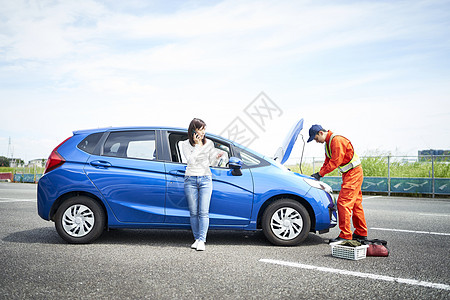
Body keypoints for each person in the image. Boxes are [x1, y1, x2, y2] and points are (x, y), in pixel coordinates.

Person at [307, 124, 368, 243]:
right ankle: (361, 233)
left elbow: (335, 161)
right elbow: (327, 162)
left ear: (320, 133)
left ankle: (345, 235)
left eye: (315, 138)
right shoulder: (328, 144)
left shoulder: (337, 140)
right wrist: (318, 174)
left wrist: (320, 174)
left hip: (353, 173)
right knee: (355, 204)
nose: (316, 141)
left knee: (343, 203)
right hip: (350, 174)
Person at [182, 118, 224, 251]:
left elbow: (211, 162)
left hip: (206, 178)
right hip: (190, 179)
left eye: (204, 129)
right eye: (201, 129)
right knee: (193, 212)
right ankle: (196, 239)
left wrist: (216, 158)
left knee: (203, 212)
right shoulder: (184, 144)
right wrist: (197, 145)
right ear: (193, 130)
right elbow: (190, 161)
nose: (203, 132)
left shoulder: (209, 143)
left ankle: (202, 240)